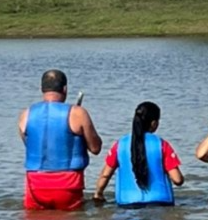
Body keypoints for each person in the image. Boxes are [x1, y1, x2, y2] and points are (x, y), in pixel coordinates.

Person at [18, 69, 102, 210]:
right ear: (65, 89)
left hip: (35, 185)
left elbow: (30, 145)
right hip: (67, 185)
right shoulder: (77, 113)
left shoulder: (25, 114)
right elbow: (95, 148)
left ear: (42, 89)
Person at [92, 102, 184, 206]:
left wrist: (98, 194)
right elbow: (177, 179)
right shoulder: (162, 144)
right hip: (160, 203)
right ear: (154, 123)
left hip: (127, 204)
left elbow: (105, 174)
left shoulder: (120, 145)